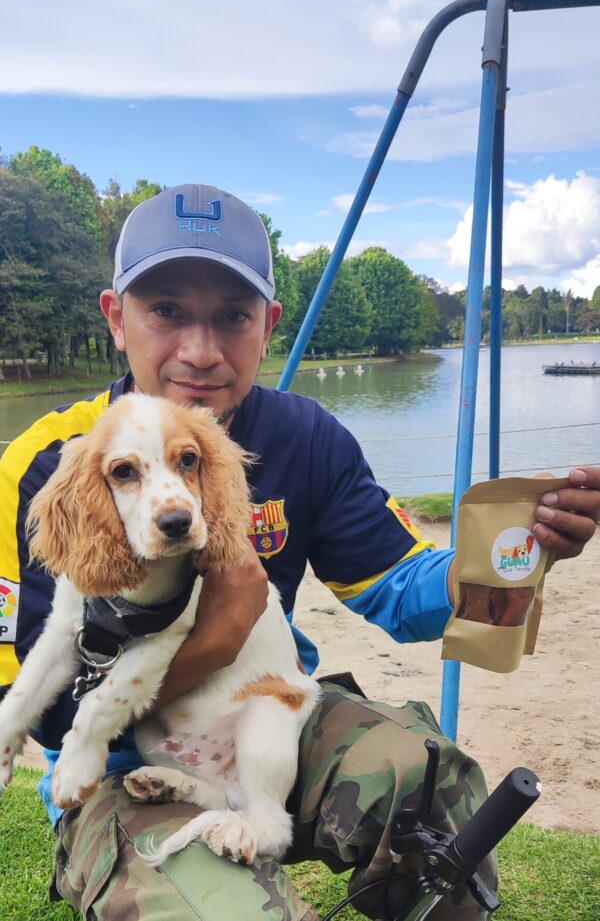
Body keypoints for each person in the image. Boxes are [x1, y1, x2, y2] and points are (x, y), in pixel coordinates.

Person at [0, 184, 598, 921]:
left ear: (268, 325)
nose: (200, 349)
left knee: (432, 779)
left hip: (270, 716)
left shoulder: (307, 436)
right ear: (115, 318)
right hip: (116, 767)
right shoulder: (48, 465)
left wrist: (508, 550)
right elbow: (43, 713)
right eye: (166, 310)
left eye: (232, 315)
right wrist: (215, 639)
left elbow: (398, 588)